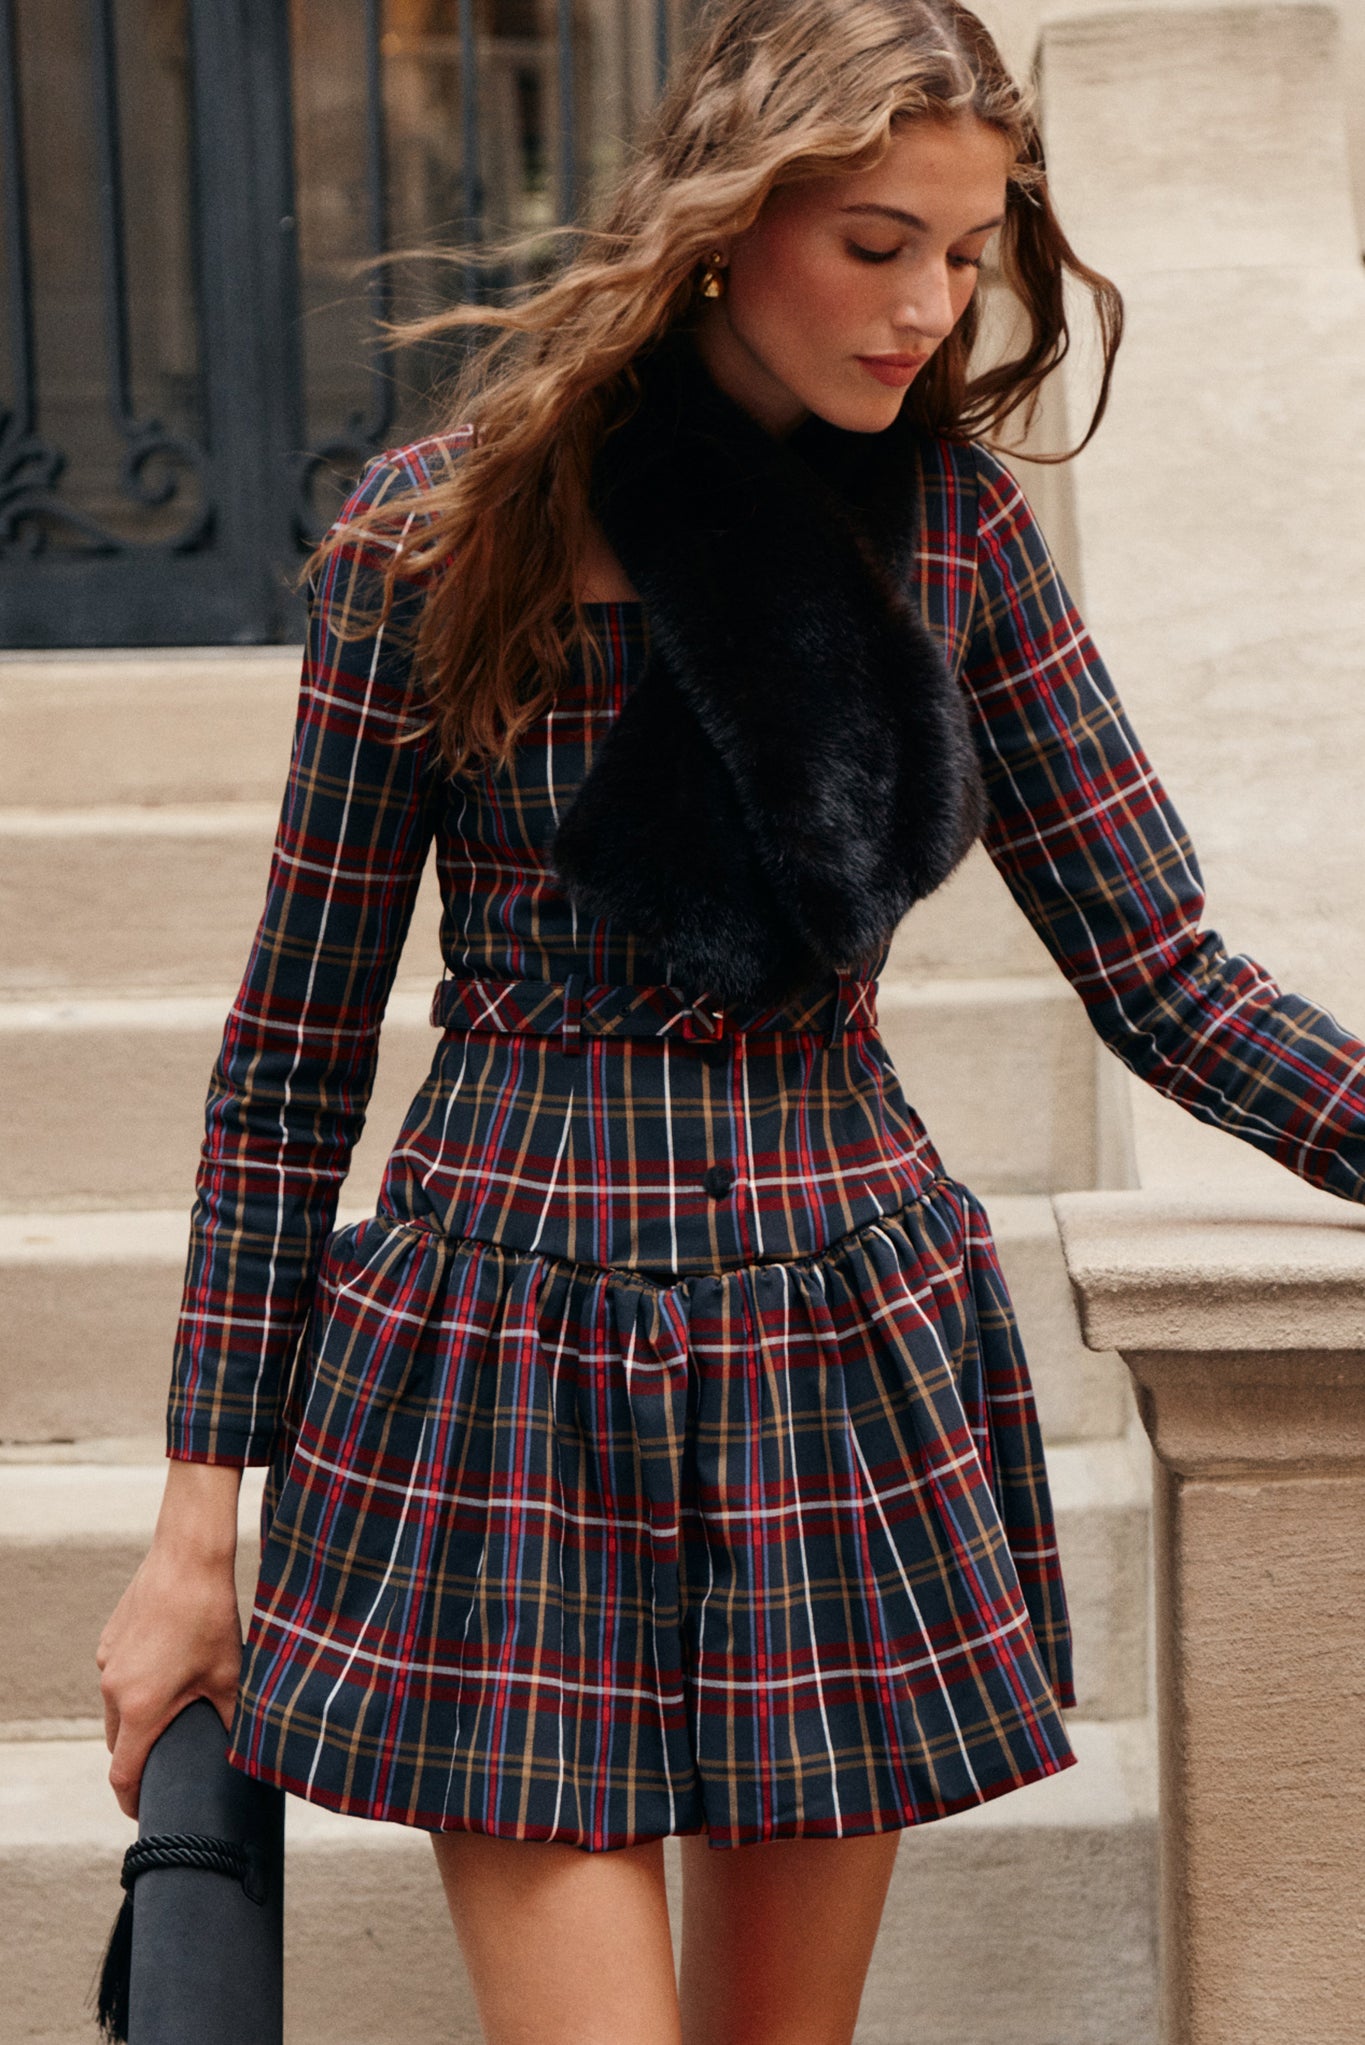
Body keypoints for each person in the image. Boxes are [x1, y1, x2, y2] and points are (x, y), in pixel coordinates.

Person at [94, 0, 1365, 2039]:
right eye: (875, 246)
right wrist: (191, 1528)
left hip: (826, 1347)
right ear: (719, 222)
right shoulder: (435, 539)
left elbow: (1162, 976)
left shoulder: (950, 536)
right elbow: (287, 1070)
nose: (927, 310)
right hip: (507, 1352)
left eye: (965, 254)